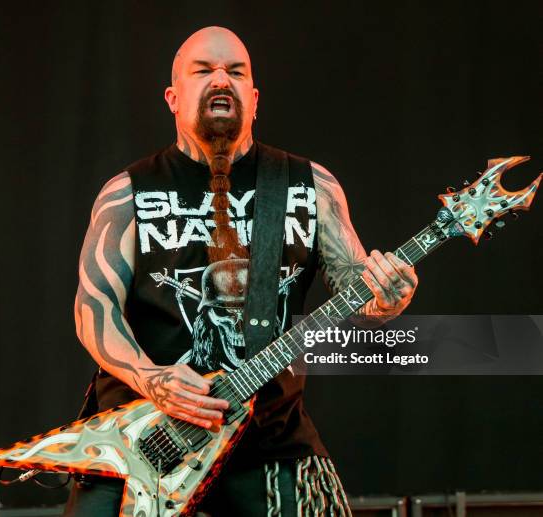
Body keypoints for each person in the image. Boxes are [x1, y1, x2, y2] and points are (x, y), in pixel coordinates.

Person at [62, 26, 418, 517]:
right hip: (144, 443)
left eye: (235, 71)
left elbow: (358, 285)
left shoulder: (308, 185)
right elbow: (92, 308)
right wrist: (153, 380)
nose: (220, 79)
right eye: (203, 70)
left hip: (269, 444)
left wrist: (386, 296)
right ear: (173, 96)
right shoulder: (127, 194)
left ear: (253, 98)